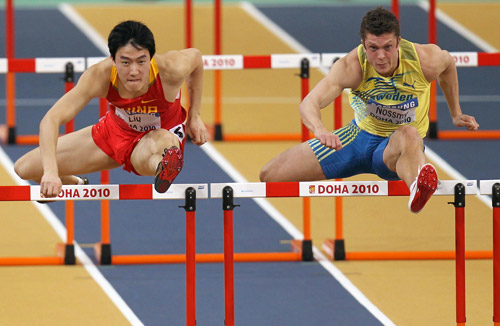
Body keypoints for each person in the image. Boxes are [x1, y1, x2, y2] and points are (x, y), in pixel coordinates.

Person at [259, 7, 479, 213]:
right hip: (355, 139)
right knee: (270, 176)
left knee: (409, 134)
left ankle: (418, 186)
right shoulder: (351, 66)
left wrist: (455, 112)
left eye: (387, 47)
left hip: (396, 148)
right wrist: (320, 130)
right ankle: (418, 178)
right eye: (373, 48)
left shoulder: (425, 61)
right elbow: (309, 103)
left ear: (399, 42)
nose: (381, 56)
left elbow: (448, 65)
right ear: (364, 45)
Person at [14, 20, 208, 198]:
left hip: (159, 137)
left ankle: (165, 166)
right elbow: (51, 120)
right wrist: (50, 172)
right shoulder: (99, 76)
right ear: (113, 60)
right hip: (113, 132)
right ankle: (77, 184)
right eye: (125, 62)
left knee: (162, 145)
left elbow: (197, 59)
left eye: (141, 61)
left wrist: (195, 115)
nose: (134, 71)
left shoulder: (171, 69)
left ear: (151, 58)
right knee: (25, 168)